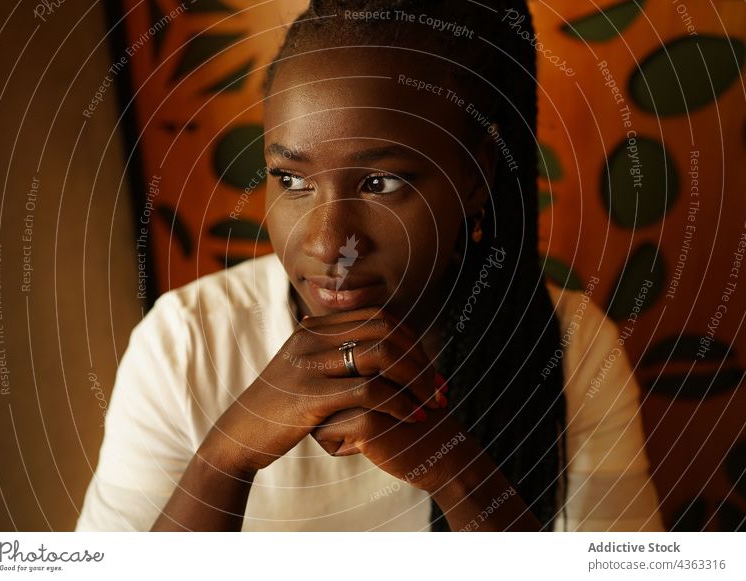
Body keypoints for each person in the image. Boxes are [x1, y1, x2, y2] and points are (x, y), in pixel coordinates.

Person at [76, 0, 664, 532]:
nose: (331, 243)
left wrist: (455, 470)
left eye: (381, 183)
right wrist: (227, 455)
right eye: (293, 180)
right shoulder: (185, 341)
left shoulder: (569, 348)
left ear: (474, 174)